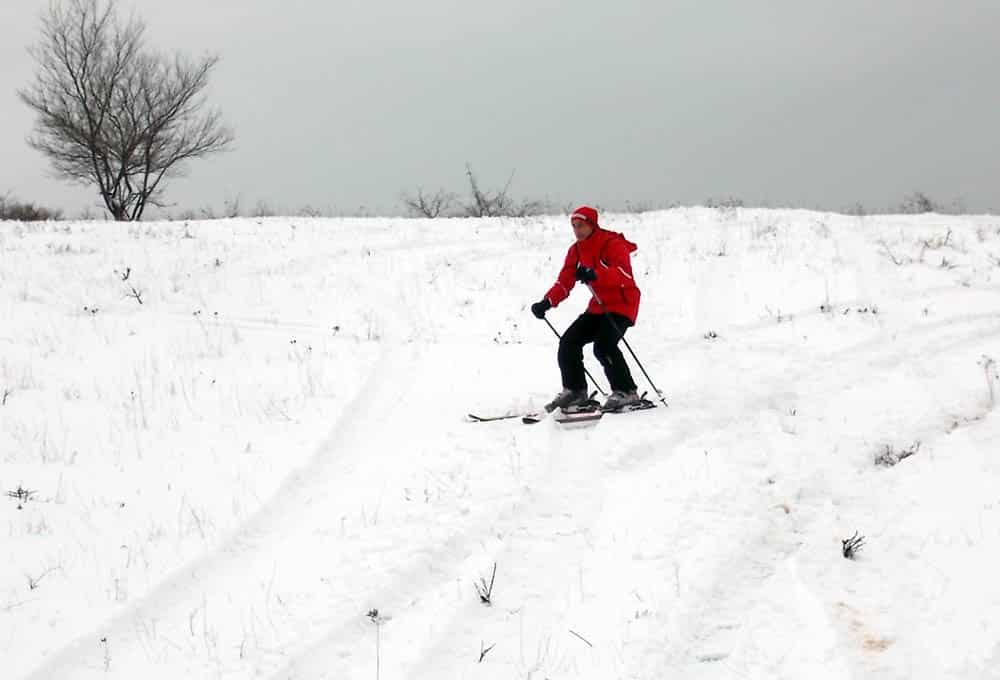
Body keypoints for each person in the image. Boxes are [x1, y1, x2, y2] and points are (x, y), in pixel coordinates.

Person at [530, 205, 642, 412]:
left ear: (592, 224)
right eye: (574, 226)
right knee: (568, 342)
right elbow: (565, 281)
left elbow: (624, 275)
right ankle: (575, 391)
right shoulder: (576, 250)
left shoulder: (612, 243)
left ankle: (626, 391)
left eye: (581, 225)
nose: (577, 230)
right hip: (598, 306)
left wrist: (596, 274)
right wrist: (547, 302)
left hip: (623, 304)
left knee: (604, 346)